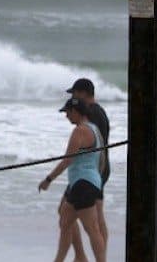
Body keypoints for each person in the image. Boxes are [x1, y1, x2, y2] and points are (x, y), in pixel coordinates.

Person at [39, 97, 106, 262]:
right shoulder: (94, 129)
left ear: (75, 111)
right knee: (65, 222)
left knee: (92, 229)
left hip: (84, 184)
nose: (66, 116)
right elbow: (101, 160)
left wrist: (48, 179)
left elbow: (67, 160)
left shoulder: (80, 130)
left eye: (67, 113)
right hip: (86, 182)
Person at [65, 78, 109, 257]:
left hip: (93, 170)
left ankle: (85, 256)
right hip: (97, 168)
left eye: (75, 93)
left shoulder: (91, 114)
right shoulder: (99, 112)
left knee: (92, 221)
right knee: (94, 219)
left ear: (83, 93)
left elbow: (94, 145)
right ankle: (85, 256)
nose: (74, 97)